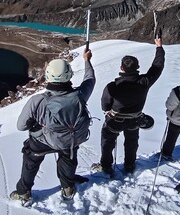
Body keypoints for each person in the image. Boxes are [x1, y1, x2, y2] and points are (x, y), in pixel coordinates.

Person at [10, 48, 95, 204]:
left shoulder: (38, 101)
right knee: (69, 155)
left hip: (43, 142)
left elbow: (21, 126)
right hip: (69, 140)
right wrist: (87, 60)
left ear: (48, 76)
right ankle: (67, 187)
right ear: (69, 75)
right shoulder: (80, 95)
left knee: (31, 157)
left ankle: (23, 192)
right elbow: (90, 79)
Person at [99, 37, 165, 175]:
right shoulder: (144, 82)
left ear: (121, 68)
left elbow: (105, 105)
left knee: (107, 142)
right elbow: (157, 67)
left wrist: (107, 110)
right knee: (131, 142)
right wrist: (159, 47)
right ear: (137, 68)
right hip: (134, 120)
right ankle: (129, 165)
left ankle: (106, 166)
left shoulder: (112, 86)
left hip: (114, 120)